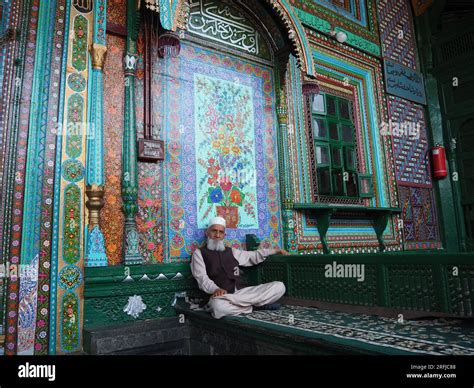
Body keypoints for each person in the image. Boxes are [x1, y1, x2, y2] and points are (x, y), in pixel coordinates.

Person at [191, 216, 289, 319]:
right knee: (218, 307)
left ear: (224, 235)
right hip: (220, 297)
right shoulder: (199, 253)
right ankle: (255, 306)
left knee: (279, 287)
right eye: (214, 231)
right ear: (207, 233)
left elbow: (253, 256)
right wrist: (216, 289)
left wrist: (276, 251)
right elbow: (202, 278)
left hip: (241, 292)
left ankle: (242, 304)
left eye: (221, 232)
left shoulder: (232, 251)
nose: (217, 235)